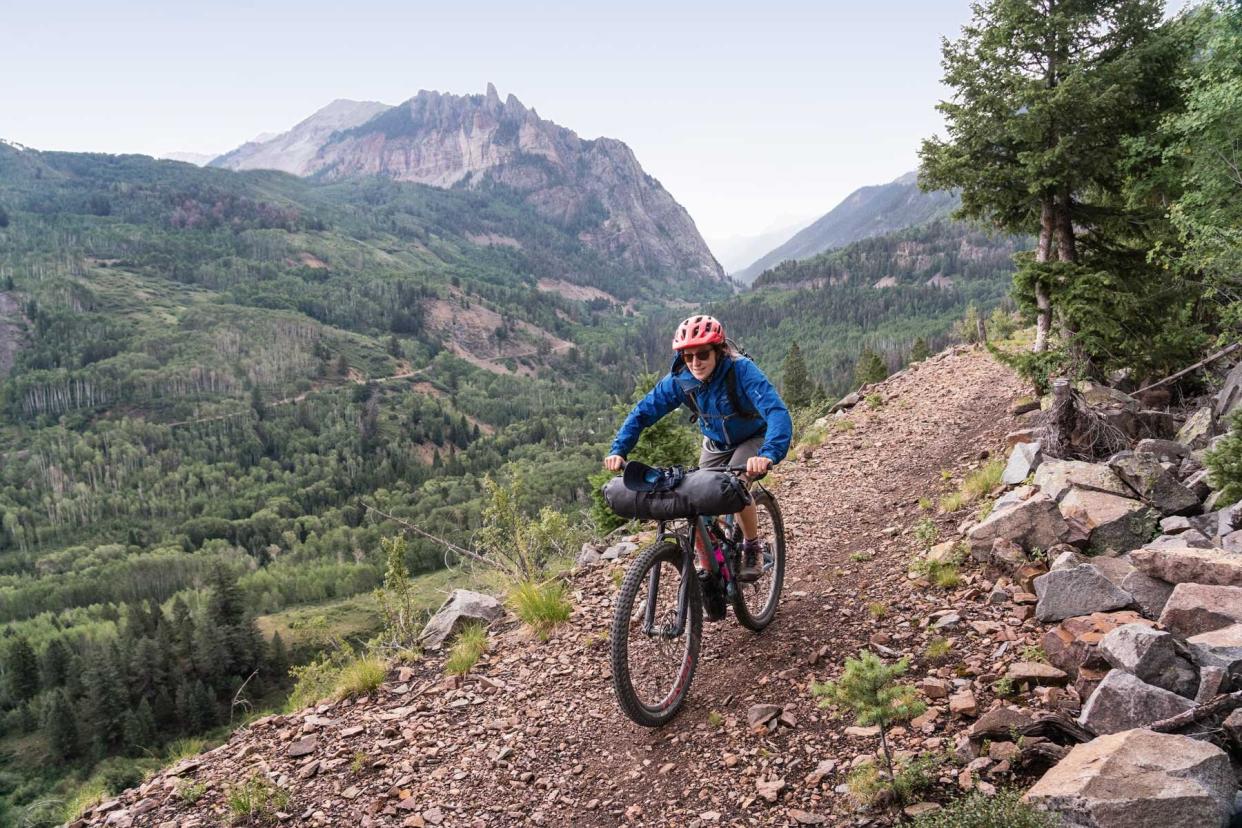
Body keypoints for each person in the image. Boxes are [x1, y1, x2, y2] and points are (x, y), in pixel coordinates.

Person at [604, 315, 792, 581]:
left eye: (702, 354)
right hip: (715, 444)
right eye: (688, 356)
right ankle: (713, 564)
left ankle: (751, 545)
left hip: (752, 438)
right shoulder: (680, 380)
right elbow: (643, 412)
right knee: (697, 501)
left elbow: (776, 412)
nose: (695, 363)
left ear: (719, 350)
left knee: (735, 486)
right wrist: (619, 449)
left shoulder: (742, 371)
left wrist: (768, 454)